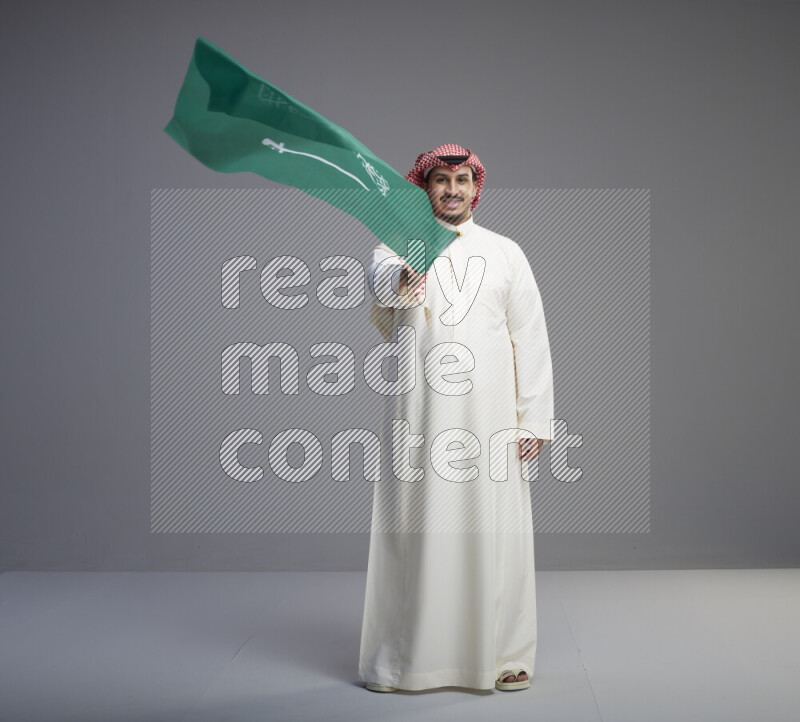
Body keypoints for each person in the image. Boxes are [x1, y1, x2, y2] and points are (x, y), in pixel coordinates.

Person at [358, 143, 554, 692]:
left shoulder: (507, 252)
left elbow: (530, 338)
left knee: (499, 532)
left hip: (490, 421)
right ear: (425, 188)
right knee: (413, 529)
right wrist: (402, 280)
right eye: (441, 180)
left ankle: (504, 654)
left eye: (461, 180)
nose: (452, 189)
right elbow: (377, 284)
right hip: (420, 418)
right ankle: (400, 660)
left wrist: (534, 419)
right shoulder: (398, 245)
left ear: (475, 188)